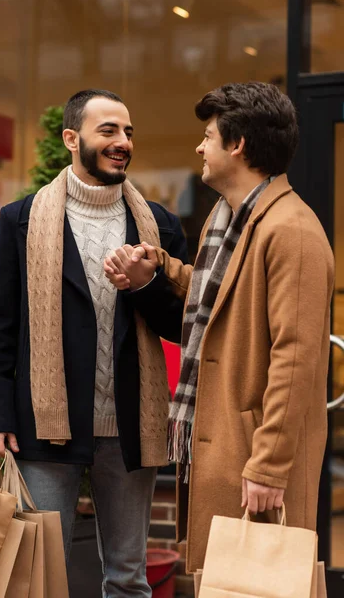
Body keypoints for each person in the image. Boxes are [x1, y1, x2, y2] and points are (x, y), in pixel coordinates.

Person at [104, 82, 335, 574]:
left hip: (254, 456)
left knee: (256, 582)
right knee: (221, 580)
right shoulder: (227, 218)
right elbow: (223, 297)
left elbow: (295, 359)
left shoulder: (291, 230)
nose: (199, 147)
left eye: (208, 136)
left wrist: (269, 465)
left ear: (238, 145)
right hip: (225, 444)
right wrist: (162, 267)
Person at [0, 89, 188, 597]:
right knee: (36, 578)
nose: (122, 142)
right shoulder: (20, 221)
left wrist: (143, 283)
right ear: (72, 139)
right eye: (108, 130)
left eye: (128, 132)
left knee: (129, 577)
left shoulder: (158, 225)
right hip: (44, 429)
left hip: (131, 427)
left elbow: (183, 325)